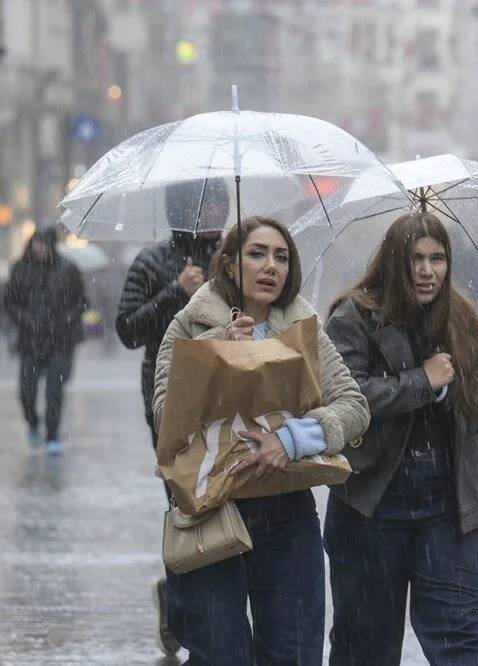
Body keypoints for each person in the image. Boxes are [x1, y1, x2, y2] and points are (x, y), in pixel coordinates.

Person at [324, 211, 478, 666]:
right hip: (372, 505)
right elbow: (347, 398)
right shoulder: (354, 317)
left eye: (437, 258)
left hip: (447, 507)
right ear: (394, 263)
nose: (427, 271)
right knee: (366, 644)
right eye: (415, 258)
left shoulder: (461, 320)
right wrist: (421, 381)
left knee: (459, 639)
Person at [153, 216, 369, 665]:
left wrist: (291, 440)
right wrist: (218, 351)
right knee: (220, 656)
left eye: (281, 257)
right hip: (211, 513)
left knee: (294, 653)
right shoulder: (190, 325)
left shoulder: (303, 326)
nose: (270, 266)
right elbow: (165, 418)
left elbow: (353, 406)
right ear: (230, 264)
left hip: (287, 511)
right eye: (257, 254)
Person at [115, 179, 228, 656]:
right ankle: (182, 603)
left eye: (222, 202)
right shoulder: (152, 262)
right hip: (169, 404)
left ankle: (212, 607)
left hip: (225, 398)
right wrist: (173, 292)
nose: (217, 211)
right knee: (186, 504)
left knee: (225, 504)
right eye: (209, 203)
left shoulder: (232, 259)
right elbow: (127, 329)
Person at [3, 227, 86, 455]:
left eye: (43, 243)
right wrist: (26, 320)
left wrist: (65, 320)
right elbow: (9, 302)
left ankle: (52, 435)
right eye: (36, 242)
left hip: (59, 342)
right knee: (26, 392)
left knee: (53, 391)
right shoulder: (21, 269)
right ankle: (33, 423)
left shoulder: (68, 269)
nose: (39, 248)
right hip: (30, 341)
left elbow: (82, 302)